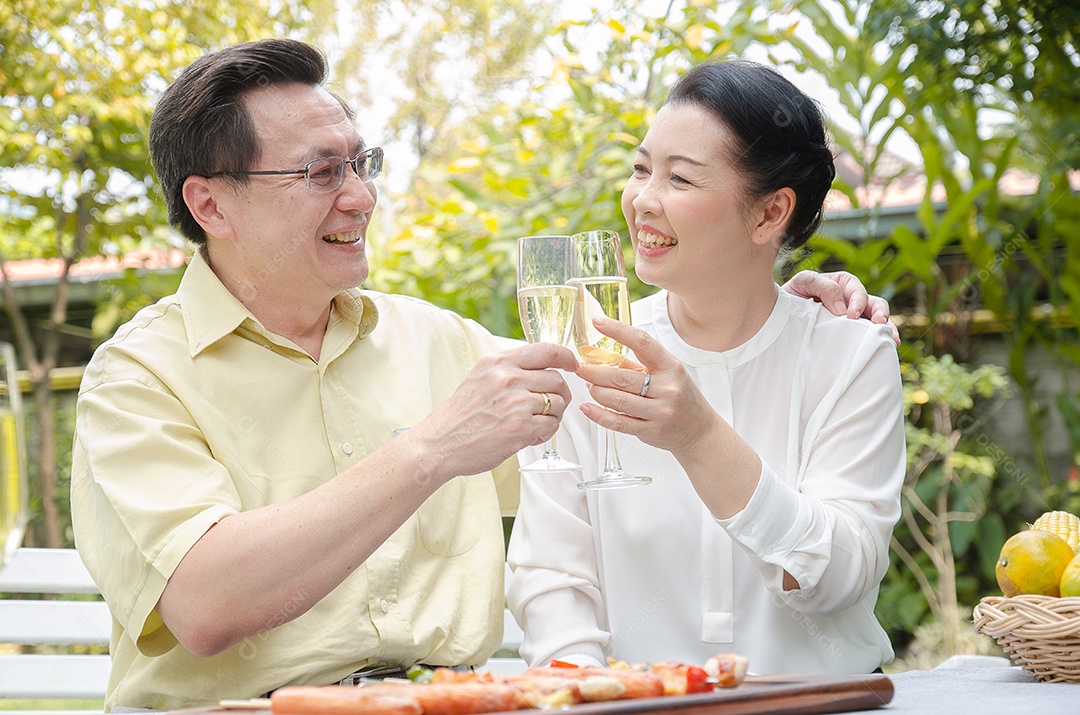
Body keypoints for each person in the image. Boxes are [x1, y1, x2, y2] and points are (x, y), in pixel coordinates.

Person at [69, 39, 890, 710]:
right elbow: (208, 606)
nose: (361, 197)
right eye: (321, 173)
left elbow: (652, 363)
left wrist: (788, 295)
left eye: (364, 164)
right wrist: (428, 450)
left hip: (444, 704)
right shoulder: (137, 379)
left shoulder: (441, 341)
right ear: (211, 205)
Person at [507, 60, 905, 676]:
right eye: (641, 170)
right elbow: (553, 581)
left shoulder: (851, 352)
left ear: (770, 214)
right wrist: (579, 692)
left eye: (681, 180)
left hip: (823, 704)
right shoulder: (590, 349)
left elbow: (838, 576)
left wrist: (698, 436)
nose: (642, 200)